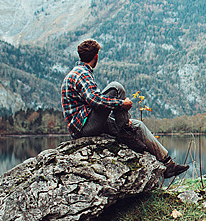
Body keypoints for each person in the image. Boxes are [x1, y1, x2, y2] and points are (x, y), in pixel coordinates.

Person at [61, 39, 189, 178]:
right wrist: (121, 103)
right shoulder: (81, 73)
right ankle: (125, 131)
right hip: (84, 127)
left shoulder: (80, 72)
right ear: (96, 56)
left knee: (138, 126)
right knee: (116, 87)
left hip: (89, 122)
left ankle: (168, 165)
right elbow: (95, 100)